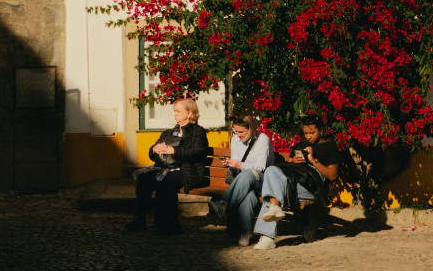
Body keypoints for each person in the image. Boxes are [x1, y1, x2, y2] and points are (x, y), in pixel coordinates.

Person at [251, 116, 339, 250]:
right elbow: (288, 165)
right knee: (271, 170)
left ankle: (267, 237)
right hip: (292, 179)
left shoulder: (330, 146)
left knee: (274, 189)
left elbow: (332, 175)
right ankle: (275, 206)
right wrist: (293, 161)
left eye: (312, 133)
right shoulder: (301, 145)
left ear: (321, 130)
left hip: (311, 187)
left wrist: (313, 159)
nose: (308, 137)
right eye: (306, 133)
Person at [126, 99, 210, 235]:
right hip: (165, 169)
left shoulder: (197, 132)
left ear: (189, 113)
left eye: (178, 111)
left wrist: (174, 151)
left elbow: (198, 151)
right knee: (143, 179)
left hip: (187, 171)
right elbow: (152, 154)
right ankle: (140, 220)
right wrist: (154, 149)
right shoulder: (168, 133)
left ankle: (170, 225)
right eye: (174, 111)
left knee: (166, 182)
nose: (175, 114)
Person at [212, 114, 274, 246]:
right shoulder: (235, 140)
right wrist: (230, 164)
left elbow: (261, 167)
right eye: (236, 131)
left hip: (263, 181)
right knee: (248, 196)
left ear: (251, 129)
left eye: (241, 132)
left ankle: (225, 204)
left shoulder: (262, 140)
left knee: (248, 174)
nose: (238, 135)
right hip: (244, 183)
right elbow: (237, 161)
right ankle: (246, 232)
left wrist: (240, 165)